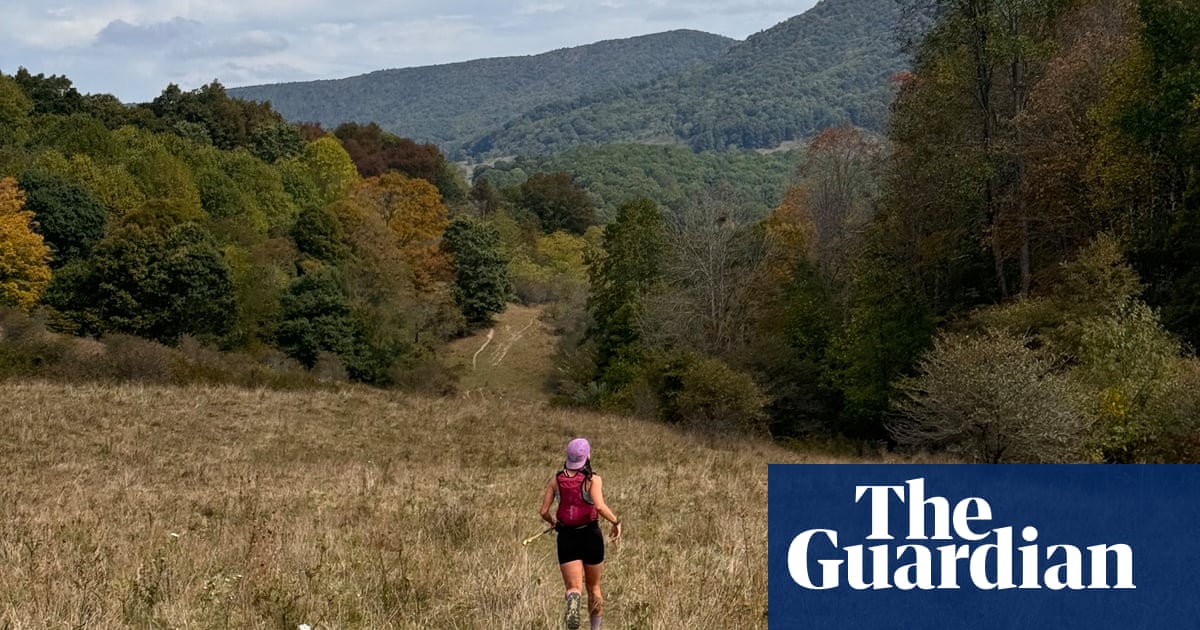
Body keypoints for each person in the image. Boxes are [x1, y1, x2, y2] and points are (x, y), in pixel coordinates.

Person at [539, 437, 621, 630]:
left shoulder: (556, 480)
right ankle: (595, 628)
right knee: (594, 588)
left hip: (567, 537)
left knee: (573, 587)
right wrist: (616, 522)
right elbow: (599, 506)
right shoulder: (593, 479)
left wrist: (553, 522)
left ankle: (573, 600)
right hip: (591, 536)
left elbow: (543, 511)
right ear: (587, 456)